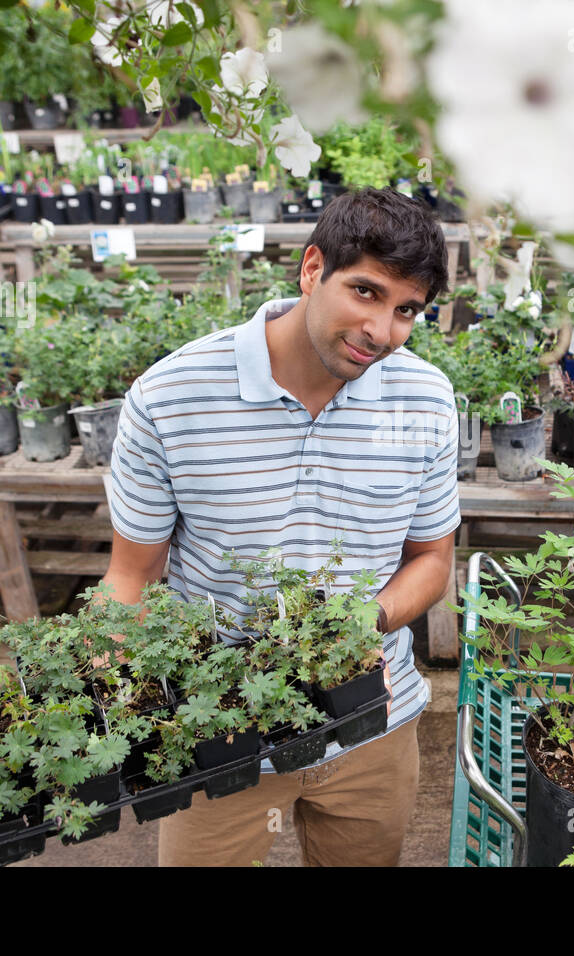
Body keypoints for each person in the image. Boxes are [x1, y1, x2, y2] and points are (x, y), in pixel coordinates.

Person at [101, 187, 459, 866]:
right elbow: (132, 575)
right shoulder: (171, 398)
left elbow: (433, 561)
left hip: (371, 726)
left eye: (406, 309)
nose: (381, 332)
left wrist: (363, 621)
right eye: (365, 292)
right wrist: (103, 687)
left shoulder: (426, 400)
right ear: (312, 267)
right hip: (220, 734)